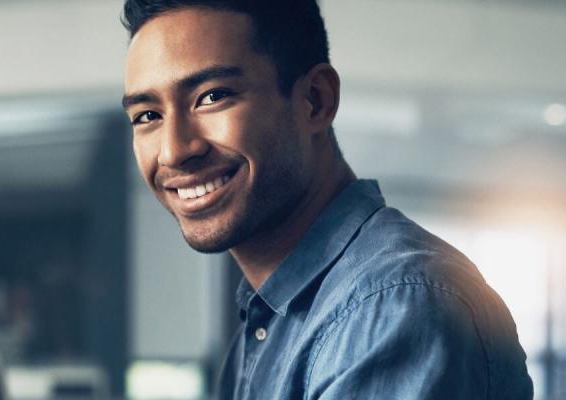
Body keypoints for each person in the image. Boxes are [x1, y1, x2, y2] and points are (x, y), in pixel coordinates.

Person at [119, 1, 533, 398]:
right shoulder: (269, 317)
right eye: (147, 116)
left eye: (212, 96)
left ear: (316, 100)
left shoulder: (393, 304)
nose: (174, 151)